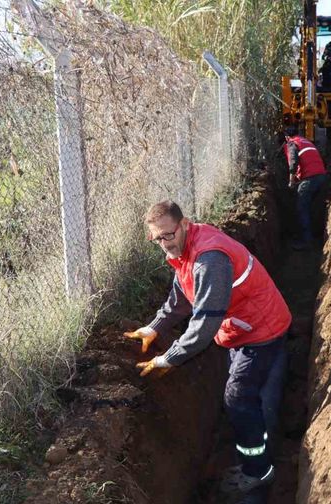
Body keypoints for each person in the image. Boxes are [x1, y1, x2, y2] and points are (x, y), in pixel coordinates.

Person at [124, 200, 291, 496]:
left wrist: (169, 359)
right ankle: (254, 444)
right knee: (241, 395)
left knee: (238, 397)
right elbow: (183, 295)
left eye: (168, 235)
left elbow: (203, 324)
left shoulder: (209, 259)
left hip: (261, 329)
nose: (164, 244)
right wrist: (153, 328)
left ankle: (258, 472)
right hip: (243, 328)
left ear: (185, 224)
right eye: (157, 238)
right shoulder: (188, 249)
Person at [283, 126, 328, 250]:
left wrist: (291, 181)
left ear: (287, 137)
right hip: (321, 176)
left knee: (301, 207)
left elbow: (293, 162)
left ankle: (306, 241)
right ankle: (316, 235)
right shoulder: (306, 141)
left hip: (310, 179)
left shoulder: (292, 143)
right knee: (311, 206)